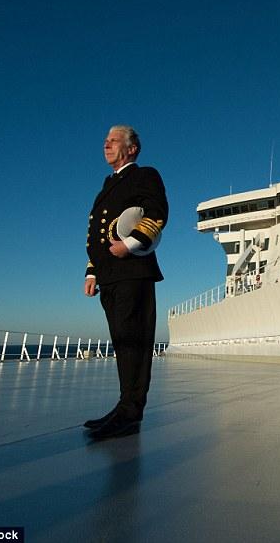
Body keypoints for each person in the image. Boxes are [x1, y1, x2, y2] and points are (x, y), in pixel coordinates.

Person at [83, 125, 168, 439]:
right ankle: (123, 407)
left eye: (114, 140)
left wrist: (131, 243)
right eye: (105, 140)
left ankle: (131, 413)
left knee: (134, 342)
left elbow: (157, 213)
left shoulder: (145, 175)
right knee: (122, 342)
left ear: (132, 149)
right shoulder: (108, 184)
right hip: (110, 276)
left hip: (134, 270)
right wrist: (92, 272)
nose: (106, 144)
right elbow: (96, 234)